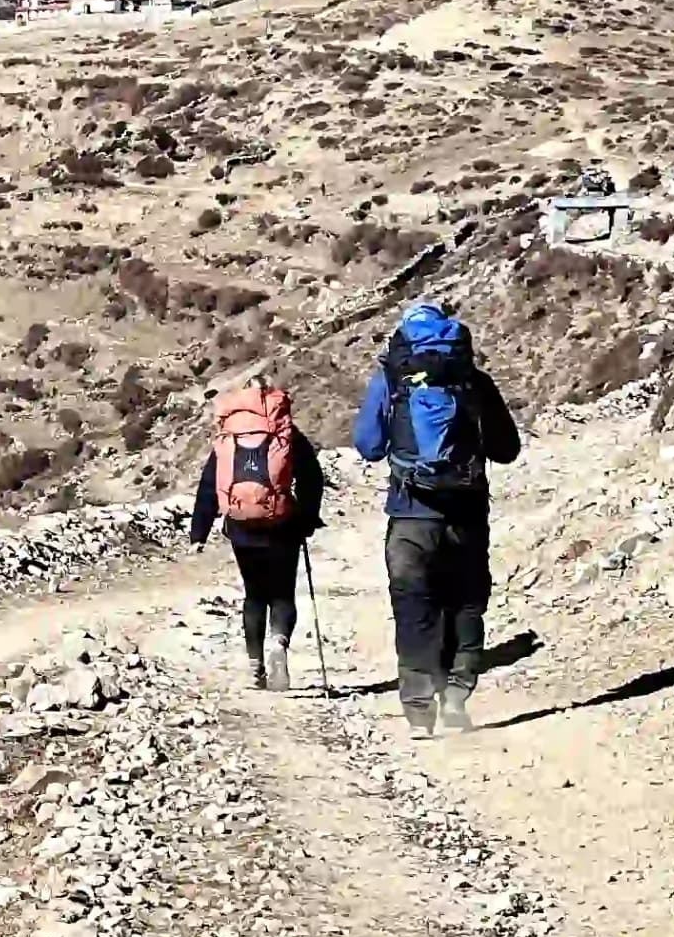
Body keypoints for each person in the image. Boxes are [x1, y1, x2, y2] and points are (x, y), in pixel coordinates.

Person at [349, 301, 522, 739]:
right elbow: (506, 448)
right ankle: (458, 697)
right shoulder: (473, 381)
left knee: (413, 607)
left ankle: (419, 710)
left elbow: (368, 445)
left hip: (410, 516)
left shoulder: (392, 379)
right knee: (464, 602)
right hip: (467, 514)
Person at [188, 379, 329, 689]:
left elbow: (210, 484)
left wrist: (199, 532)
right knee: (281, 594)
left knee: (254, 595)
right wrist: (306, 518)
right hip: (281, 526)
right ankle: (278, 643)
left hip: (241, 528)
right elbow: (311, 477)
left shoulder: (229, 435)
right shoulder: (285, 432)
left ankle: (256, 666)